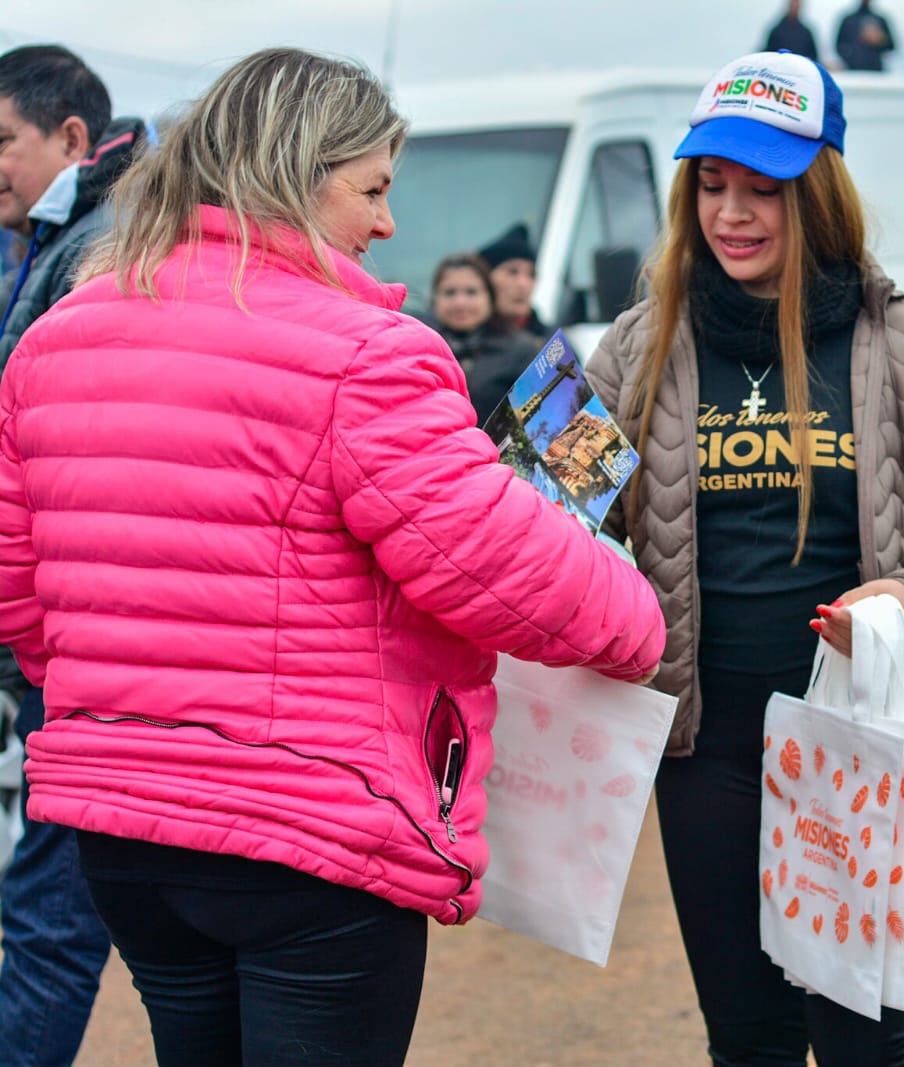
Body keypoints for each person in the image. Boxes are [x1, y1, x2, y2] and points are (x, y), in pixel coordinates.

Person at [0, 47, 665, 1067]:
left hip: (123, 829)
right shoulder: (365, 352)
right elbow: (503, 569)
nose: (389, 223)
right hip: (308, 831)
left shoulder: (57, 338)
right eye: (373, 188)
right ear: (296, 174)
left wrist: (138, 696)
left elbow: (25, 602)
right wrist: (638, 617)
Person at [586, 49, 904, 1067]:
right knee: (747, 1040)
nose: (731, 213)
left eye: (763, 189)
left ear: (818, 192)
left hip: (860, 750)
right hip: (704, 753)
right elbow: (525, 512)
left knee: (864, 1036)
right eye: (711, 185)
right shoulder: (635, 344)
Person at [0, 43, 141, 1067]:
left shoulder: (98, 249)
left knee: (50, 919)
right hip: (71, 633)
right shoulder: (53, 240)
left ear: (72, 136)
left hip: (79, 641)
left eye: (2, 141)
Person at [423, 251, 541, 422]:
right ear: (435, 299)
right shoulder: (418, 348)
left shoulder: (521, 351)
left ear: (490, 297)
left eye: (471, 292)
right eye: (450, 293)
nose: (460, 303)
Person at [476, 221, 548, 340]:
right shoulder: (462, 341)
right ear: (484, 281)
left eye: (531, 275)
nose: (523, 284)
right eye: (512, 272)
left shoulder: (554, 344)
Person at [835, 0, 896, 72]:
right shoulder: (848, 20)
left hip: (876, 70)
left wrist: (879, 40)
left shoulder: (880, 20)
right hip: (852, 70)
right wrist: (850, 57)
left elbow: (891, 46)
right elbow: (839, 46)